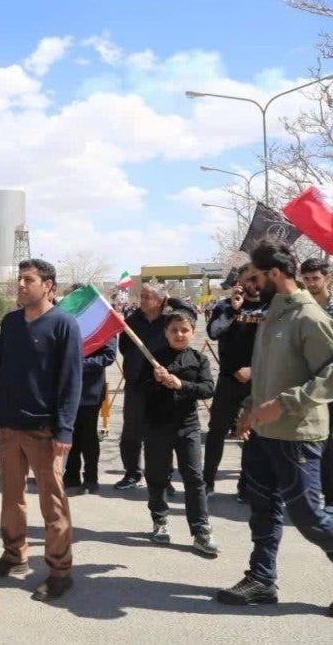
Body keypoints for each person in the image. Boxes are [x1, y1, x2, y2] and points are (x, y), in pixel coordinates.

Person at [216, 241, 333, 613]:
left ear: (276, 274)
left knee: (310, 518)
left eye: (255, 277)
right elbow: (266, 373)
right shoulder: (271, 315)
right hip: (263, 433)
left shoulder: (309, 317)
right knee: (263, 508)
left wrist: (283, 404)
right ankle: (262, 580)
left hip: (296, 436)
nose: (249, 284)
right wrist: (250, 407)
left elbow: (329, 376)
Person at [0, 259, 81, 602]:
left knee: (53, 505)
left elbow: (71, 381)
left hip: (45, 431)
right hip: (10, 427)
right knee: (11, 499)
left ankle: (60, 571)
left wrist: (64, 430)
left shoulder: (64, 324)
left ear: (48, 286)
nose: (21, 285)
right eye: (19, 279)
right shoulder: (11, 322)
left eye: (29, 279)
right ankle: (14, 556)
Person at [140, 310, 218, 555]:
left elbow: (208, 389)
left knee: (194, 478)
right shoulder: (153, 358)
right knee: (157, 476)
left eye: (184, 330)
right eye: (174, 330)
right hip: (157, 426)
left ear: (193, 332)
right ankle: (159, 520)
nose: (179, 334)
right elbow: (138, 389)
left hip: (188, 427)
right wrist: (154, 380)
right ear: (166, 332)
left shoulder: (199, 359)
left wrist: (181, 384)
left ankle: (200, 529)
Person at [116, 283, 198, 490]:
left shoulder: (169, 320)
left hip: (161, 385)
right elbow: (124, 347)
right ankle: (132, 473)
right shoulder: (132, 320)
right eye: (142, 296)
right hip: (136, 384)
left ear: (161, 300)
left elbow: (191, 314)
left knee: (162, 434)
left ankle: (164, 477)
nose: (142, 300)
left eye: (147, 297)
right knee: (131, 433)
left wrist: (171, 300)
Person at [204, 266, 266, 496]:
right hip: (228, 380)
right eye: (247, 278)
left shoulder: (270, 306)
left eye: (256, 278)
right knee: (216, 431)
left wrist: (254, 370)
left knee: (254, 434)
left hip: (259, 381)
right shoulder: (225, 306)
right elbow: (214, 332)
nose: (252, 282)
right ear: (239, 281)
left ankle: (246, 485)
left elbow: (278, 348)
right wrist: (233, 308)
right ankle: (207, 482)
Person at [63, 284, 117, 495]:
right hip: (66, 390)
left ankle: (91, 477)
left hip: (89, 391)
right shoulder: (65, 321)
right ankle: (71, 475)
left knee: (88, 437)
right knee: (70, 434)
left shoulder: (102, 322)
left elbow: (108, 356)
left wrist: (76, 364)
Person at [300, 258, 333, 508]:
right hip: (308, 383)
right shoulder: (302, 308)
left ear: (327, 278)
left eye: (315, 278)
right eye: (307, 279)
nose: (311, 283)